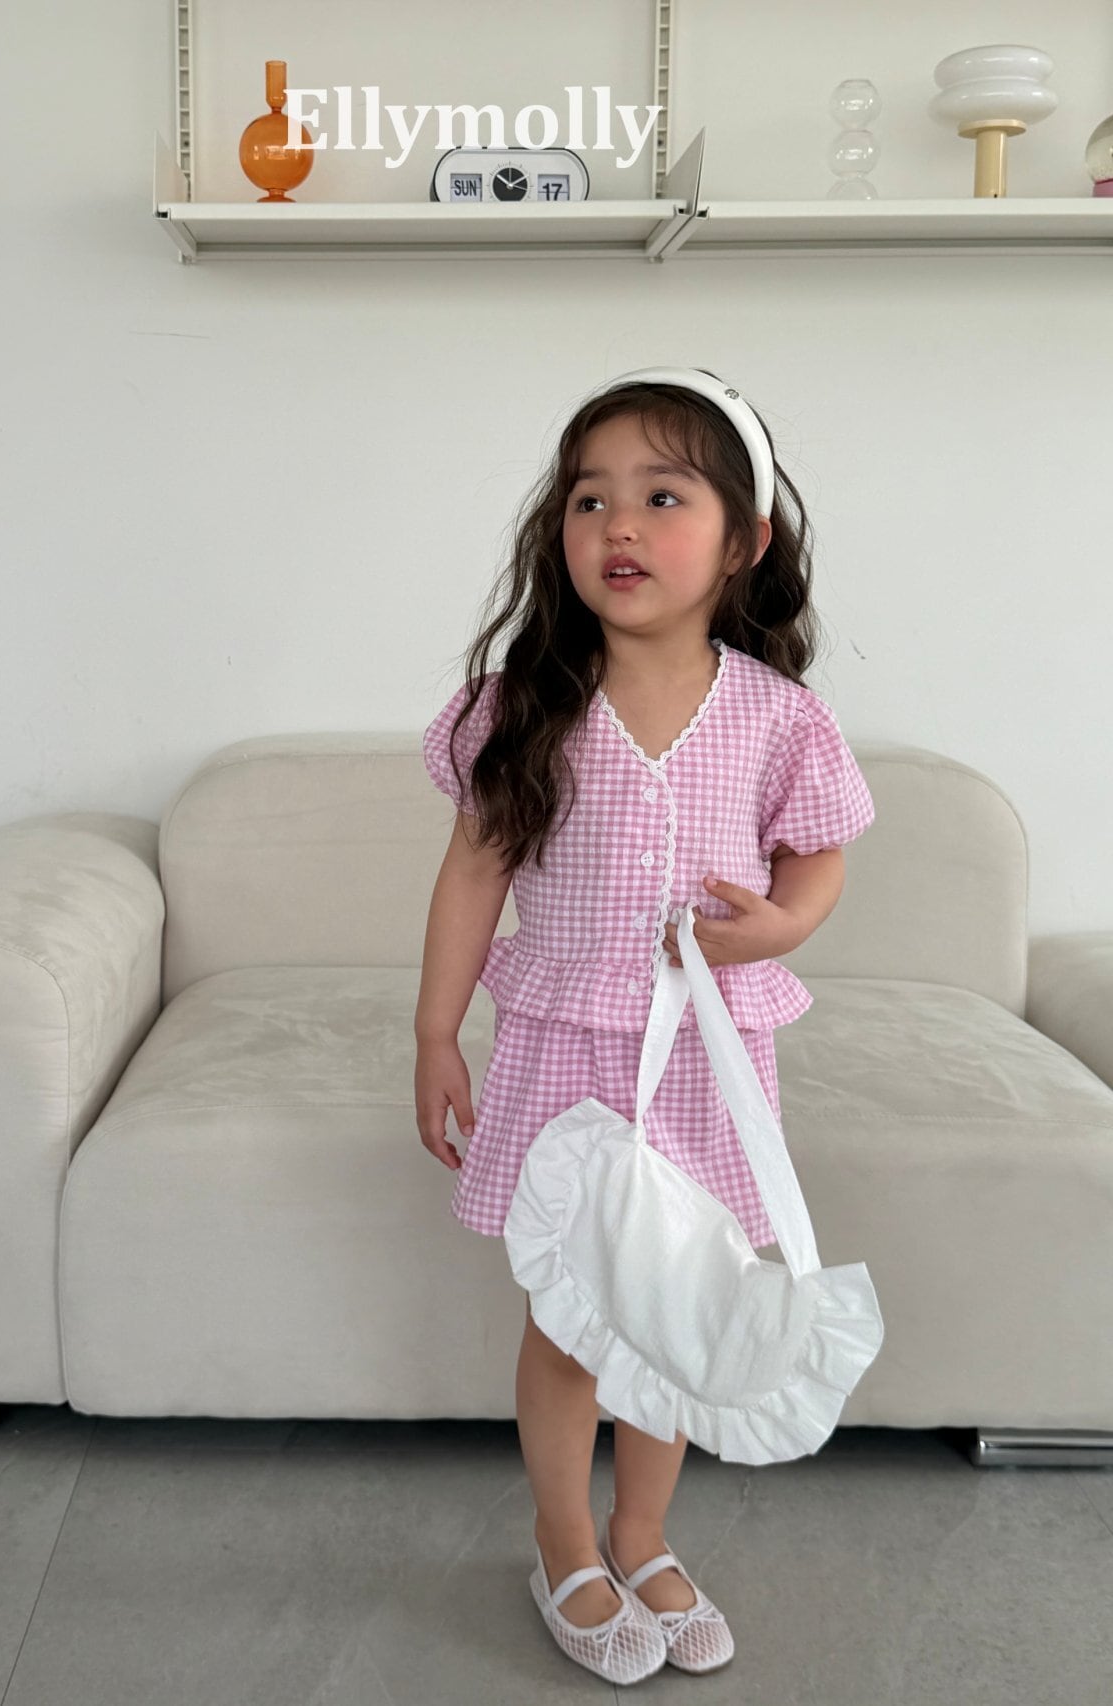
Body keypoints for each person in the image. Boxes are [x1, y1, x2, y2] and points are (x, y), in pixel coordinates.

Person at [413, 366, 876, 1683]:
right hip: (568, 1050)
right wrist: (436, 1033)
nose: (618, 524)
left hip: (707, 1063)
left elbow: (821, 855)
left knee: (680, 1301)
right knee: (575, 1313)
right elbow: (473, 872)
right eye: (589, 499)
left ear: (743, 541)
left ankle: (645, 1530)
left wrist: (781, 925)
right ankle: (565, 1540)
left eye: (662, 497)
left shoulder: (779, 717)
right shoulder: (525, 707)